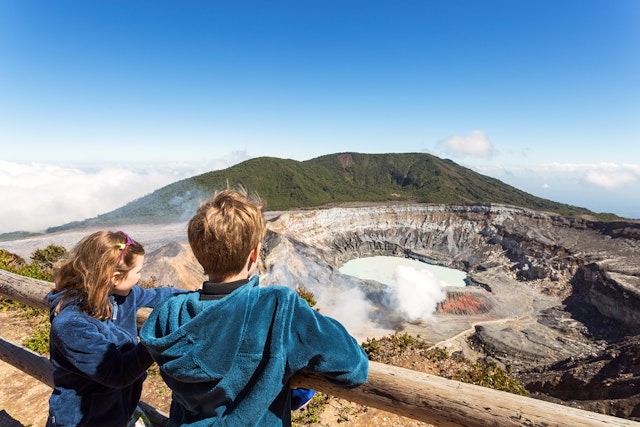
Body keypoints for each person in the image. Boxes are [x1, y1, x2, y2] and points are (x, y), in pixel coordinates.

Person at [140, 189, 369, 426]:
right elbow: (354, 368)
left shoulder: (168, 313)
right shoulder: (277, 308)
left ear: (198, 255)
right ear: (255, 253)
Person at [46, 230, 184, 427]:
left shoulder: (123, 295)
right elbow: (118, 372)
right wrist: (157, 335)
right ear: (115, 277)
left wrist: (201, 295)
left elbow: (160, 295)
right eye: (137, 271)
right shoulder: (71, 325)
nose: (139, 276)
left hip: (116, 412)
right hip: (83, 420)